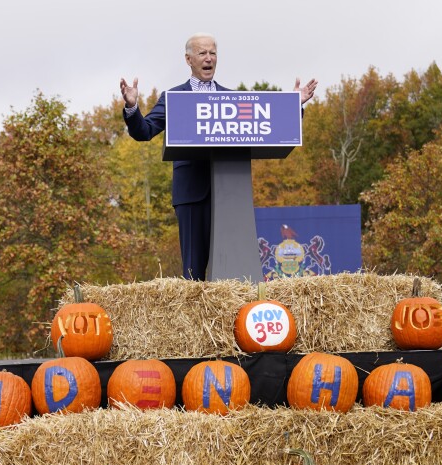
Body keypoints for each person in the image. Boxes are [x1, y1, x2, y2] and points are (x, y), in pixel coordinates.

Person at [120, 33, 317, 280]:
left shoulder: (232, 99)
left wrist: (293, 105)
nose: (208, 58)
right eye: (202, 53)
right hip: (192, 195)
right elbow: (144, 131)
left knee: (233, 268)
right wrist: (131, 107)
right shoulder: (173, 98)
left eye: (213, 53)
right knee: (194, 272)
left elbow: (268, 124)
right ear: (188, 59)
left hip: (231, 194)